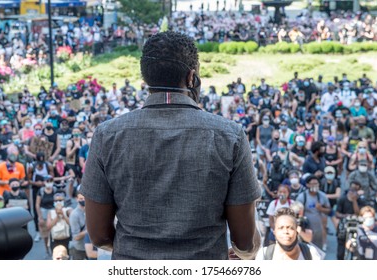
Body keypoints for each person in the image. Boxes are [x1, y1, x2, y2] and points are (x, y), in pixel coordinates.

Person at [81, 31, 261, 260]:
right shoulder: (230, 136)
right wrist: (253, 248)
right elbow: (244, 241)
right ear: (191, 78)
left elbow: (98, 236)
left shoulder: (107, 135)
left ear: (145, 79)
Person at [256, 208, 322, 260]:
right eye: (281, 228)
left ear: (297, 231)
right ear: (274, 232)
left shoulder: (311, 252)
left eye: (290, 228)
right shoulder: (264, 255)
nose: (286, 232)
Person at [296, 175, 331, 250]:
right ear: (307, 185)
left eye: (316, 184)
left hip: (319, 228)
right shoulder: (302, 197)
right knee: (305, 248)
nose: (314, 186)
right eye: (312, 184)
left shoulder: (322, 196)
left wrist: (321, 208)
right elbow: (296, 211)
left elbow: (329, 210)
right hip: (306, 227)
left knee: (317, 249)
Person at [35, 175, 56, 257]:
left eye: (51, 181)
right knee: (45, 235)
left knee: (54, 233)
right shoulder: (41, 191)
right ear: (44, 182)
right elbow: (37, 204)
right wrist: (39, 217)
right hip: (43, 214)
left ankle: (54, 250)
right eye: (47, 181)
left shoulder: (55, 189)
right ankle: (47, 251)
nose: (49, 183)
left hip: (53, 214)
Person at [69, 191, 87, 260]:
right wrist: (90, 230)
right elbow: (76, 237)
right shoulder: (74, 214)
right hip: (79, 248)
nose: (83, 200)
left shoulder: (91, 210)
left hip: (91, 247)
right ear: (77, 199)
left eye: (85, 198)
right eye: (81, 198)